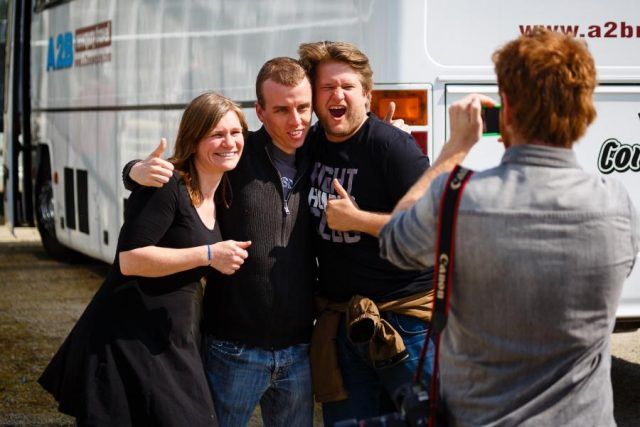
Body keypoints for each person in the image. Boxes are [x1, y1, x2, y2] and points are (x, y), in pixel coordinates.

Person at [379, 28, 640, 426]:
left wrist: (455, 148)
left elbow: (393, 242)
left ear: (507, 112)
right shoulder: (616, 203)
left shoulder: (457, 199)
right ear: (584, 112)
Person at [123, 57, 317, 427]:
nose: (296, 121)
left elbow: (361, 144)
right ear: (260, 112)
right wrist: (133, 170)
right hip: (233, 348)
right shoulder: (237, 154)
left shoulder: (319, 153)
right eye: (281, 110)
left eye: (303, 108)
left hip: (297, 351)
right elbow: (183, 165)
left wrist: (387, 133)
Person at [38, 92, 251, 425]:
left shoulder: (222, 188)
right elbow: (130, 259)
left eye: (235, 132)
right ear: (194, 140)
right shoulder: (166, 186)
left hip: (171, 337)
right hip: (126, 338)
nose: (229, 142)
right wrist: (209, 254)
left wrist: (130, 170)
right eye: (217, 134)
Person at [297, 41, 435, 425]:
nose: (336, 95)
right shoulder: (309, 144)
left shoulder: (393, 148)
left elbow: (435, 228)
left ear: (367, 95)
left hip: (405, 324)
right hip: (342, 327)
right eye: (326, 87)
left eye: (347, 86)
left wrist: (358, 220)